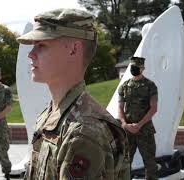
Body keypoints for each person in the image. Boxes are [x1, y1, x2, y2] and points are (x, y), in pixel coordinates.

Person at [17, 8, 130, 180]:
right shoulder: (52, 115)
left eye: (41, 45)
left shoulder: (84, 131)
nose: (31, 54)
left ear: (73, 49)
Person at [118, 56, 158, 180]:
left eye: (136, 67)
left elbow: (154, 108)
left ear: (143, 68)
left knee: (150, 163)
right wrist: (124, 124)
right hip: (127, 131)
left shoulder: (150, 86)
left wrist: (139, 125)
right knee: (124, 164)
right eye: (132, 67)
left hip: (145, 131)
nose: (134, 69)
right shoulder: (124, 86)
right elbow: (120, 108)